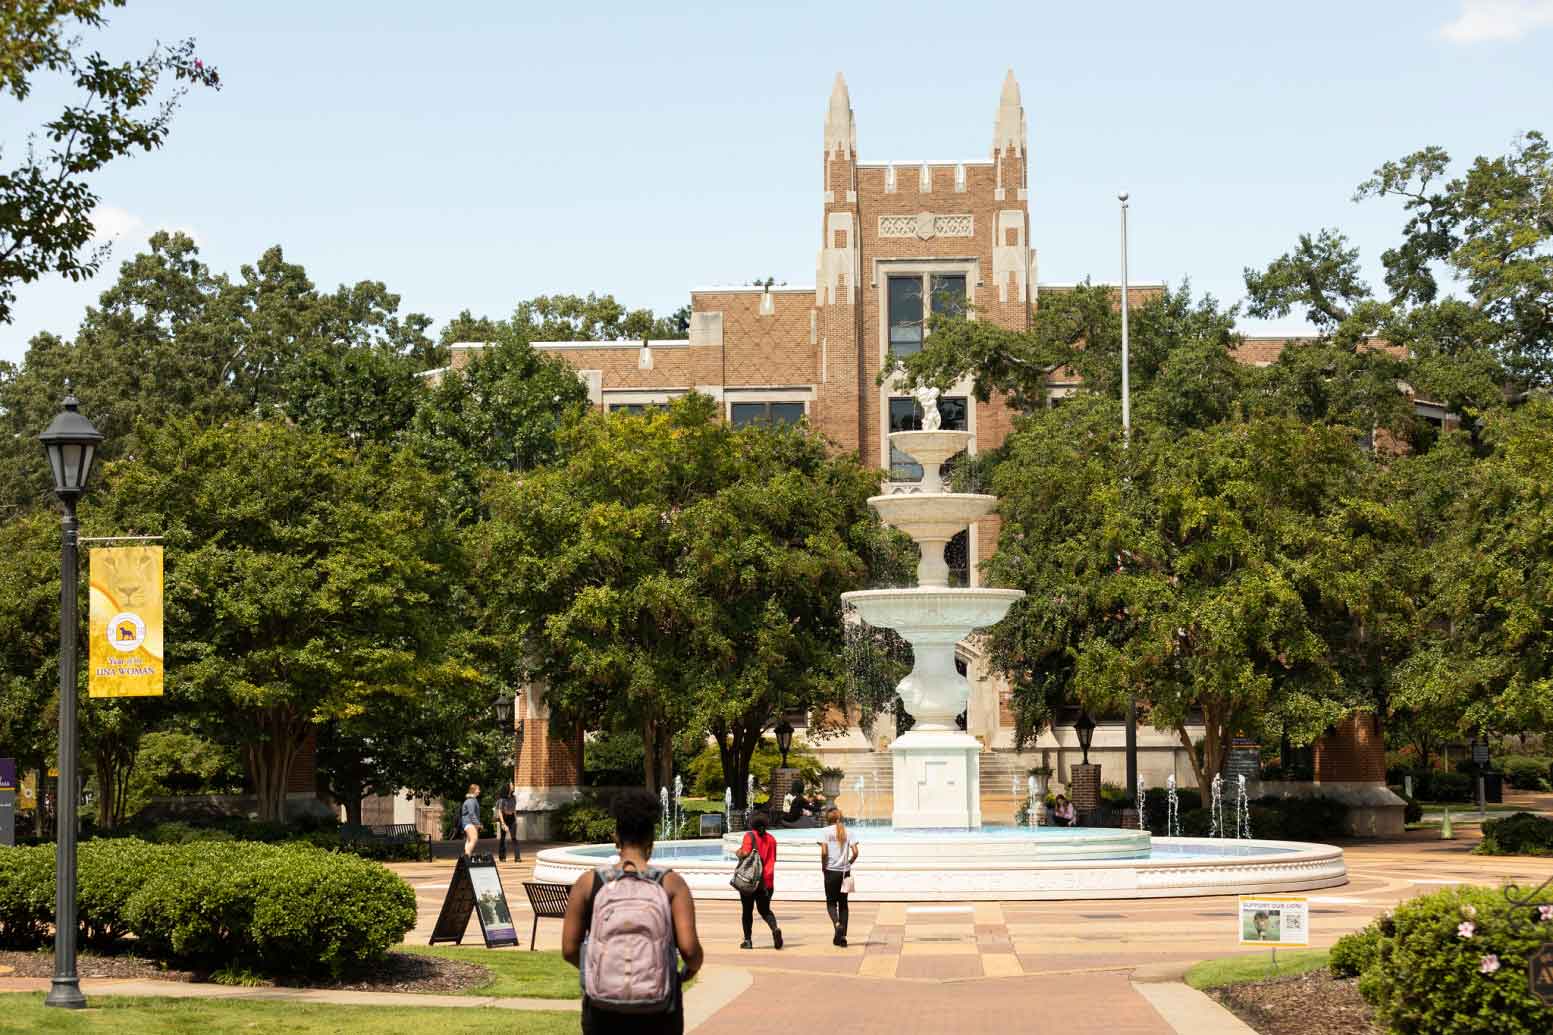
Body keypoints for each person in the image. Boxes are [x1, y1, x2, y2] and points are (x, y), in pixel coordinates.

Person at [562, 788, 703, 1034]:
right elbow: (690, 950)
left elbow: (569, 949)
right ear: (651, 837)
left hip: (602, 1009)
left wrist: (599, 972)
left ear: (616, 836)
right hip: (659, 1010)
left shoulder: (588, 883)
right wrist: (687, 971)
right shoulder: (672, 884)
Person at [736, 812, 783, 950]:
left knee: (747, 911)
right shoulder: (772, 839)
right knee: (765, 910)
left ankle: (748, 941)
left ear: (752, 824)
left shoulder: (749, 836)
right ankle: (775, 929)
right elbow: (773, 859)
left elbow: (744, 853)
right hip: (767, 882)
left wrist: (737, 852)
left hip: (750, 881)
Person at [819, 807, 859, 947]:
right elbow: (855, 852)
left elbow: (824, 852)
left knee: (831, 903)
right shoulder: (849, 832)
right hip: (845, 872)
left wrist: (824, 866)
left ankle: (837, 925)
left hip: (831, 871)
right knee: (843, 904)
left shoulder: (825, 832)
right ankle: (842, 937)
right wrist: (848, 863)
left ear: (828, 818)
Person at [496, 783, 519, 862]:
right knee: (503, 838)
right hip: (504, 818)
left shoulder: (514, 798)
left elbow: (514, 809)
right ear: (508, 788)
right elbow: (499, 811)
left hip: (512, 818)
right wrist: (503, 823)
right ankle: (502, 857)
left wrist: (515, 820)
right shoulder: (501, 799)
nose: (513, 786)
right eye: (512, 785)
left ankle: (517, 857)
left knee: (514, 838)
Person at [457, 784, 482, 856]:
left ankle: (466, 857)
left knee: (469, 840)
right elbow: (472, 814)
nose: (479, 791)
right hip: (469, 823)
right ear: (473, 790)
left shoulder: (472, 800)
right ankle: (467, 856)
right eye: (478, 789)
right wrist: (478, 824)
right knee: (474, 839)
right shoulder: (471, 801)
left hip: (468, 822)